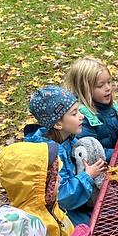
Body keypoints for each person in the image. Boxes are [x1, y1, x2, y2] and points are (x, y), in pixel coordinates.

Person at [25, 85, 106, 226]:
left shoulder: (67, 138)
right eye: (74, 113)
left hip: (78, 201)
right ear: (58, 123)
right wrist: (87, 176)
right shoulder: (51, 155)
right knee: (95, 227)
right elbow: (62, 196)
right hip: (61, 212)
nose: (81, 116)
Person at [65, 56, 118, 163]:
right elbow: (94, 153)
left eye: (109, 82)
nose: (108, 88)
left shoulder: (108, 106)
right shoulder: (83, 117)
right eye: (101, 85)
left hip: (115, 154)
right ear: (85, 89)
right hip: (99, 165)